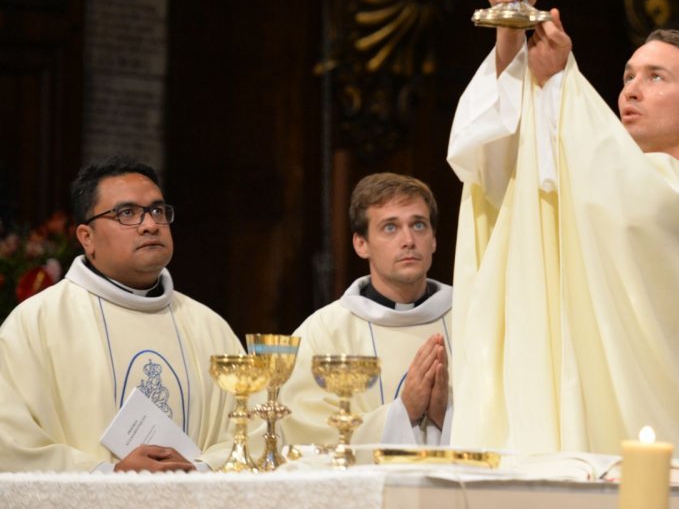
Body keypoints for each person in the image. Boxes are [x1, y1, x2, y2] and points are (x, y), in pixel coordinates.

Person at [446, 0, 679, 456]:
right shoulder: (586, 169)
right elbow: (500, 163)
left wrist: (561, 81)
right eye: (628, 75)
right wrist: (512, 36)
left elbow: (643, 202)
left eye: (656, 77)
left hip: (674, 444)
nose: (630, 90)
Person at [0, 155, 243, 472]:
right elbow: (10, 440)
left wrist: (201, 468)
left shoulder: (208, 326)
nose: (150, 224)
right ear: (87, 238)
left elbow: (252, 430)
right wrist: (108, 474)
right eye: (128, 213)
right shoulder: (36, 323)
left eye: (157, 210)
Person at [279, 173, 451, 447]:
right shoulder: (323, 332)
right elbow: (303, 435)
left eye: (418, 225)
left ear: (433, 240)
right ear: (361, 244)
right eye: (390, 228)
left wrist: (448, 418)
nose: (408, 240)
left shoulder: (472, 318)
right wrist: (402, 412)